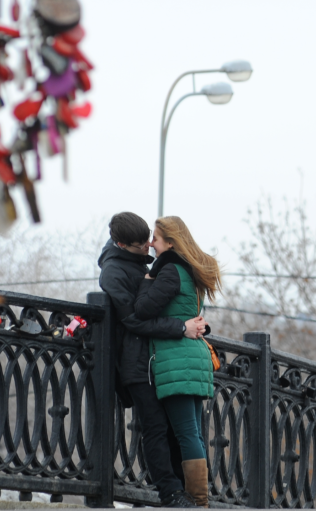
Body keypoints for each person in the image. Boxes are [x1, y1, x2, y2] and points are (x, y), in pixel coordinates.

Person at [99, 212, 206, 508]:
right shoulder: (113, 273)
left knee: (176, 428)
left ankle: (187, 494)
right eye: (141, 244)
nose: (147, 245)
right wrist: (181, 328)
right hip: (137, 362)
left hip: (160, 358)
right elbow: (134, 319)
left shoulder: (144, 263)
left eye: (149, 239)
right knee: (156, 428)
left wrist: (192, 324)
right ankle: (171, 494)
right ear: (122, 244)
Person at [134, 216, 221, 509]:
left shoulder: (169, 271)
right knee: (193, 433)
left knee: (186, 433)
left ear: (170, 242)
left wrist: (147, 281)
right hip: (193, 357)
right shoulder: (191, 270)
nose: (151, 244)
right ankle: (198, 498)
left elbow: (143, 309)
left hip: (176, 359)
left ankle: (198, 501)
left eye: (156, 239)